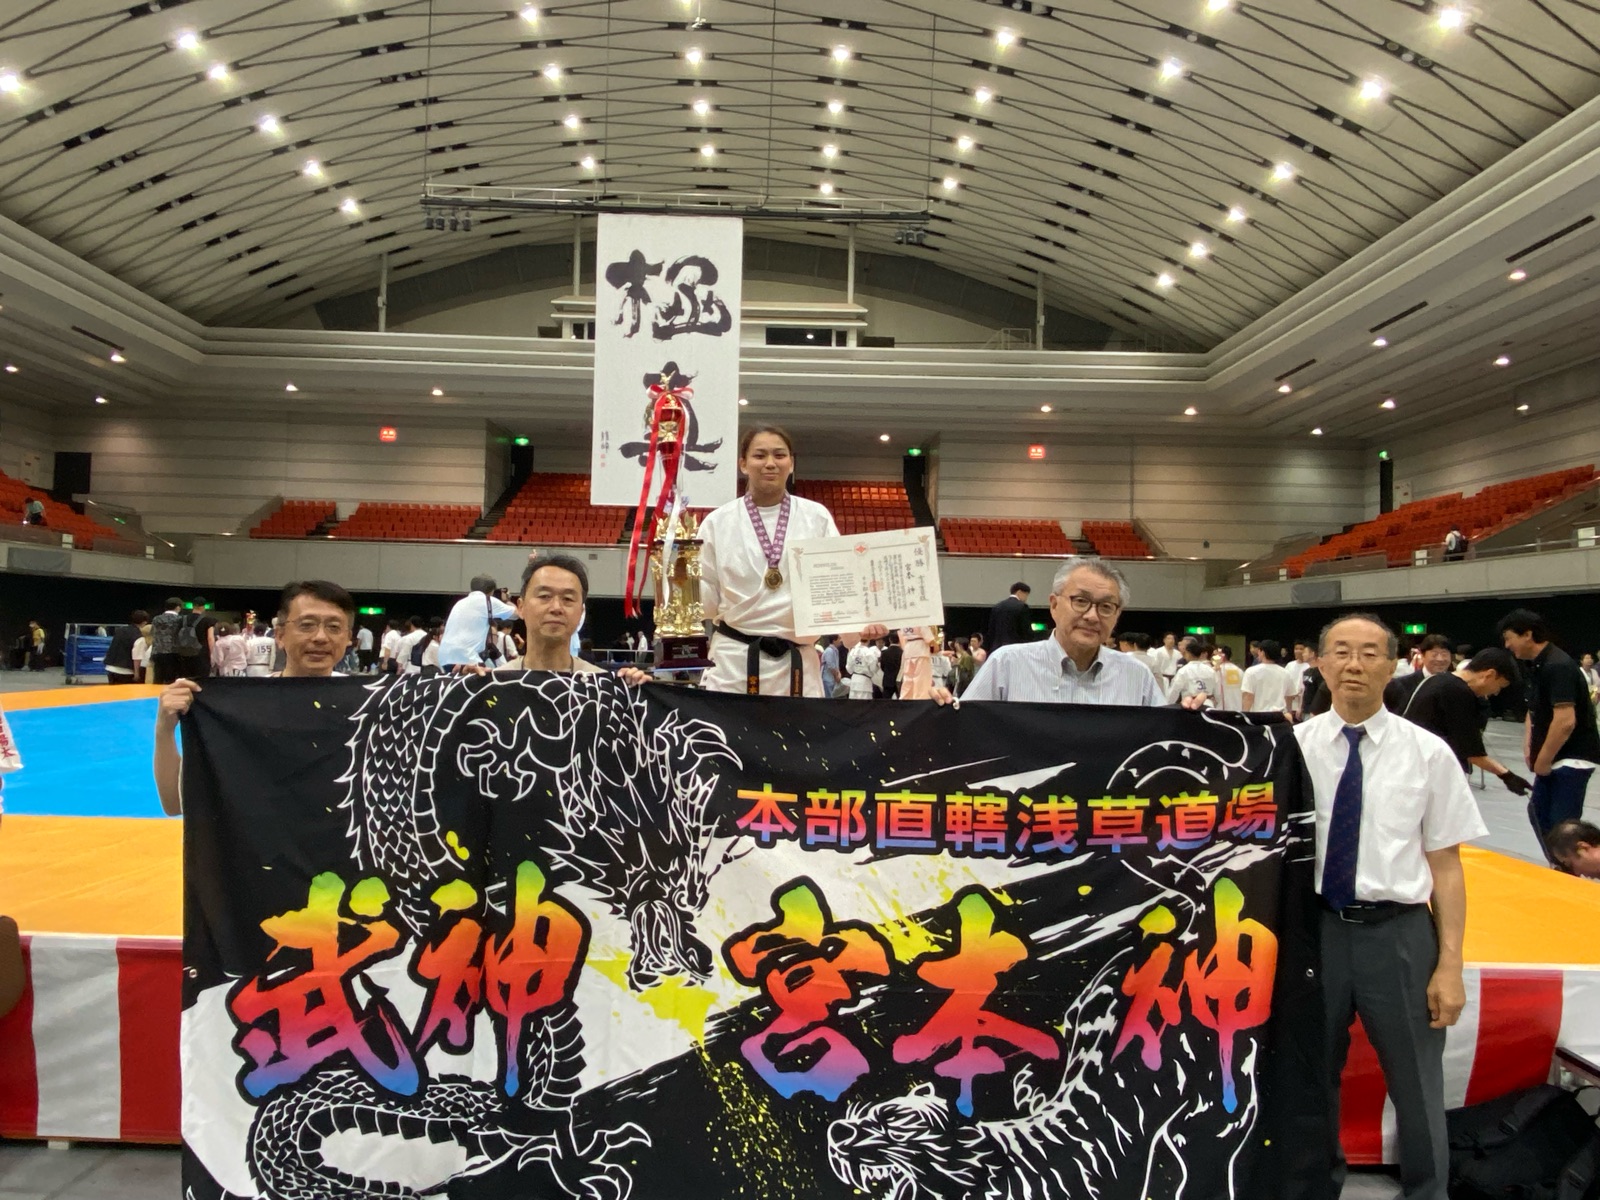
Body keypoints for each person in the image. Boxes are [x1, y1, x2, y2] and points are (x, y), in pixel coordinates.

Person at [1297, 612, 1485, 1200]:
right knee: (1310, 1078)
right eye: (1341, 651)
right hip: (1315, 932)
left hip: (1399, 935)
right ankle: (1315, 1186)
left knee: (1417, 1082)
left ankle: (1429, 1191)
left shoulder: (1428, 753)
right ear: (1321, 663)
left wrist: (1450, 964)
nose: (1354, 664)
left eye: (1370, 653)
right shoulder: (1292, 749)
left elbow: (1446, 866)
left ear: (1394, 666)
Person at [697, 426, 883, 696]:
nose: (770, 463)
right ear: (743, 464)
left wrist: (864, 623)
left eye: (779, 455)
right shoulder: (717, 522)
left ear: (791, 463)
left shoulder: (816, 517)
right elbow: (705, 598)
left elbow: (840, 584)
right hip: (733, 663)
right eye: (759, 455)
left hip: (799, 664)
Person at [156, 580, 355, 815]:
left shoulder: (369, 708)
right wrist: (164, 729)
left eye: (334, 627)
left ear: (348, 638)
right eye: (307, 625)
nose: (320, 637)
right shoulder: (239, 710)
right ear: (280, 635)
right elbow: (174, 803)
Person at [955, 558, 1172, 706]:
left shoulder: (1137, 676)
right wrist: (941, 706)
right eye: (1080, 601)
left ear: (1117, 615)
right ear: (1054, 605)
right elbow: (965, 732)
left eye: (1106, 607)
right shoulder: (1007, 665)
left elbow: (1164, 742)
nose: (1092, 616)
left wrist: (1188, 716)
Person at [1499, 608, 1600, 859]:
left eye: (1509, 638)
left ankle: (1570, 869)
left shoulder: (1558, 666)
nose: (1507, 645)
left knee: (1562, 827)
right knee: (1538, 813)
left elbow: (1565, 721)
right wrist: (1529, 747)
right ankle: (1558, 866)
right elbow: (1534, 711)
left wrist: (1543, 759)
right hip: (1553, 757)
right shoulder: (1538, 665)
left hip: (1571, 758)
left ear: (1527, 634)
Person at [1393, 647, 1531, 794]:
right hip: (1428, 773)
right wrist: (1506, 775)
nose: (1496, 692)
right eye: (1500, 686)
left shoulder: (1437, 679)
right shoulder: (1458, 692)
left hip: (1410, 764)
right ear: (1489, 674)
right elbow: (1471, 751)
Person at [505, 553, 608, 674]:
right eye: (544, 596)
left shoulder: (601, 683)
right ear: (521, 607)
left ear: (581, 613)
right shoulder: (494, 682)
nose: (556, 608)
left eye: (568, 598)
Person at [439, 575, 519, 668]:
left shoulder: (460, 603)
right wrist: (507, 600)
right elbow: (517, 614)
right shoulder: (488, 601)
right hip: (466, 658)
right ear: (491, 591)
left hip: (445, 658)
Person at [1386, 634, 1455, 712]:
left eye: (1444, 654)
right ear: (1422, 656)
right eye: (1434, 655)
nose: (1440, 659)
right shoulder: (1401, 685)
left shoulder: (1456, 684)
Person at [1242, 640, 1291, 713]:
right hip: (1280, 715)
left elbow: (1248, 696)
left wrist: (1245, 714)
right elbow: (1288, 697)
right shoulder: (1286, 673)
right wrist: (1289, 712)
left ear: (1262, 652)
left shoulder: (1251, 672)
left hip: (1259, 715)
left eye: (1259, 651)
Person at [1166, 637, 1217, 707]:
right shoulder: (1210, 670)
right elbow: (1217, 691)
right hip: (1208, 704)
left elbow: (1174, 691)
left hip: (1189, 705)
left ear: (1188, 653)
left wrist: (1168, 705)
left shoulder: (1184, 671)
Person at [984, 583, 1033, 653]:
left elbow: (991, 630)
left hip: (997, 649)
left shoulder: (997, 607)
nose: (1026, 598)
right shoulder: (1022, 607)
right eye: (1026, 595)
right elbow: (1026, 631)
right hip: (1015, 649)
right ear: (1019, 592)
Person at [104, 610, 147, 685]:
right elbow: (137, 657)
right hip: (126, 671)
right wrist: (137, 674)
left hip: (110, 667)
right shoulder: (139, 637)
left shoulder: (120, 630)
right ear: (144, 623)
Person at [897, 626, 935, 700]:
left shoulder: (903, 622)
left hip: (908, 649)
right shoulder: (920, 621)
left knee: (908, 678)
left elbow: (901, 636)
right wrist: (935, 647)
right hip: (920, 649)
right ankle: (921, 700)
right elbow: (929, 639)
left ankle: (905, 699)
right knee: (921, 679)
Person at [1214, 645, 1245, 711]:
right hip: (1238, 708)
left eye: (1215, 655)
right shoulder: (1239, 671)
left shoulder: (1217, 671)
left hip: (1221, 709)